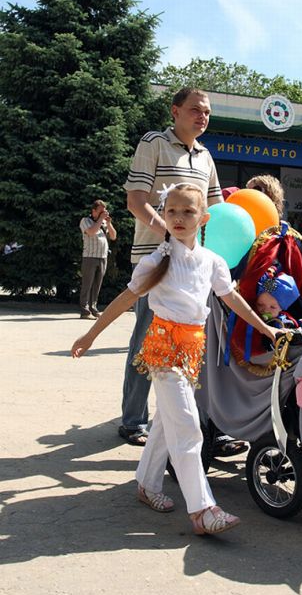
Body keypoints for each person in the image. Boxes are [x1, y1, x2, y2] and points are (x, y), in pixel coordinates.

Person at [72, 183, 280, 535]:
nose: (179, 218)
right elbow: (125, 299)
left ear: (204, 218)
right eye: (171, 212)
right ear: (163, 216)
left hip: (191, 352)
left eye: (187, 211)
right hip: (163, 351)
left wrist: (265, 328)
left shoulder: (211, 261)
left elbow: (231, 299)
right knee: (187, 426)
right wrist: (91, 335)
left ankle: (147, 484)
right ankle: (202, 509)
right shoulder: (157, 262)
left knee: (168, 422)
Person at [120, 87, 222, 446]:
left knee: (192, 343)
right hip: (156, 259)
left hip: (192, 266)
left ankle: (198, 421)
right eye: (195, 110)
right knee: (148, 340)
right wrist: (171, 236)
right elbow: (136, 201)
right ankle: (133, 421)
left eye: (207, 112)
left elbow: (217, 210)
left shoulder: (206, 156)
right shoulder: (154, 144)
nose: (202, 117)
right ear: (175, 111)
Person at [79, 199, 117, 319]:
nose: (103, 213)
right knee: (87, 284)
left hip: (102, 257)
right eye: (100, 211)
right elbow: (91, 232)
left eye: (104, 211)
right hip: (89, 257)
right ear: (93, 211)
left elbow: (113, 236)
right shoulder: (85, 221)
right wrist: (101, 220)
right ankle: (84, 311)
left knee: (97, 285)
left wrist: (109, 223)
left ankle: (93, 308)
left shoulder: (104, 223)